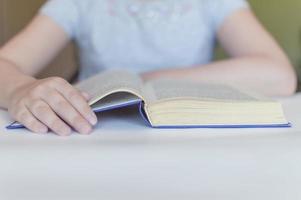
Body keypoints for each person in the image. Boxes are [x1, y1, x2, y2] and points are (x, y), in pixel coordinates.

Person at [0, 0, 297, 136]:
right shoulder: (78, 4)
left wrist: (147, 79)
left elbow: (280, 75)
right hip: (92, 140)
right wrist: (18, 89)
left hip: (194, 141)